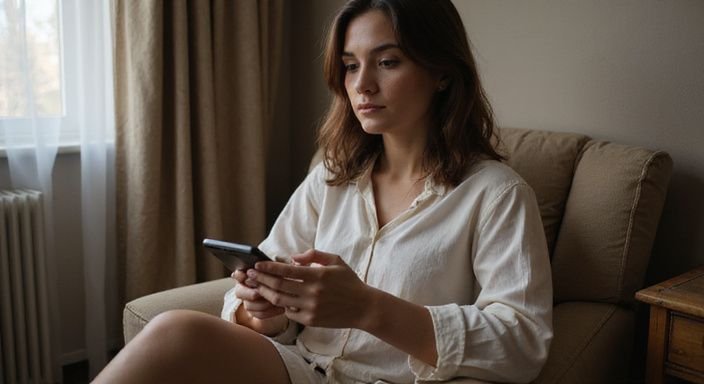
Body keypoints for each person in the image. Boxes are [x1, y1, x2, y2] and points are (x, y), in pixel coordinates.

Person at [94, 0, 552, 383]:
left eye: (387, 62)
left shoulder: (497, 195)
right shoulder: (333, 178)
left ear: (443, 73)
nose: (362, 84)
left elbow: (522, 339)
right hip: (302, 371)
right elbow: (265, 284)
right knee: (175, 329)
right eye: (351, 66)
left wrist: (369, 308)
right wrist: (263, 308)